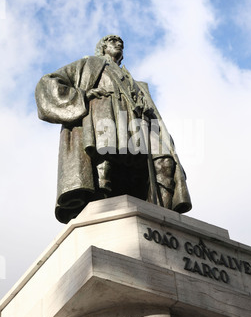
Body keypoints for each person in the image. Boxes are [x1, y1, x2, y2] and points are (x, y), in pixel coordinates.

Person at [35, 35, 192, 223]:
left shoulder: (132, 79)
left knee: (165, 161)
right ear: (102, 47)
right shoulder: (90, 64)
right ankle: (101, 210)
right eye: (112, 41)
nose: (118, 44)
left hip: (137, 123)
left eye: (121, 43)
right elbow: (48, 81)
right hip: (105, 116)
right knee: (105, 163)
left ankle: (164, 220)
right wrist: (82, 96)